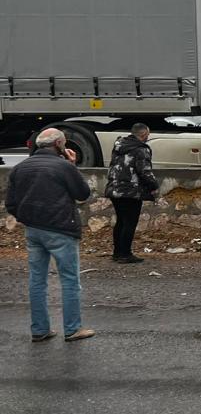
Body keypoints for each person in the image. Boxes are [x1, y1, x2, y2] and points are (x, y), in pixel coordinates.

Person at [5, 128, 95, 342]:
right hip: (60, 229)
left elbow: (11, 203)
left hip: (33, 230)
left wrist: (26, 217)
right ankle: (72, 328)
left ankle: (40, 329)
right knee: (70, 280)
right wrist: (73, 166)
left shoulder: (20, 168)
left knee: (37, 280)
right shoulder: (64, 167)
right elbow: (82, 193)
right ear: (59, 145)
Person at [104, 123, 159, 264]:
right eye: (147, 135)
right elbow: (144, 171)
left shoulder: (119, 146)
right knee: (130, 222)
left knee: (121, 221)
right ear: (143, 135)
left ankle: (117, 253)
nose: (148, 137)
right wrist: (154, 186)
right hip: (131, 191)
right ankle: (125, 254)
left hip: (114, 189)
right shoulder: (141, 150)